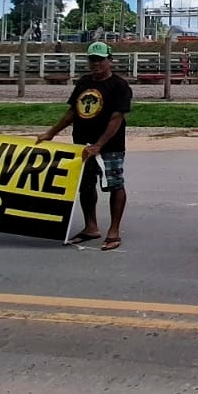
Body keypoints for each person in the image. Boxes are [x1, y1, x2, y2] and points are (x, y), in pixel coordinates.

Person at [37, 41, 132, 251]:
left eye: (100, 59)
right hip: (82, 143)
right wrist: (51, 133)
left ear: (110, 60)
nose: (96, 63)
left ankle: (114, 230)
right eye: (92, 59)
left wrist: (99, 144)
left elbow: (116, 118)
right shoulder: (83, 82)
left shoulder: (119, 86)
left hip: (110, 145)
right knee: (86, 185)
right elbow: (73, 112)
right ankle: (91, 226)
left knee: (115, 184)